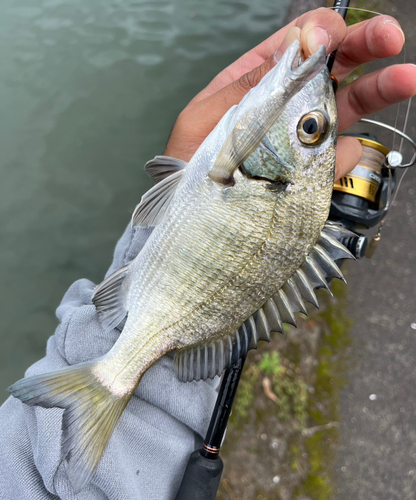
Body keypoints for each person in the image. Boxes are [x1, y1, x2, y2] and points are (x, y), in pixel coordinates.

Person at [0, 7, 415, 500]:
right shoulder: (243, 151)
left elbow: (175, 194)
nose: (306, 118)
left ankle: (105, 384)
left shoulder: (237, 154)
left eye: (307, 129)